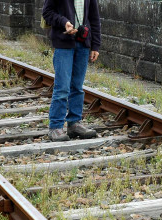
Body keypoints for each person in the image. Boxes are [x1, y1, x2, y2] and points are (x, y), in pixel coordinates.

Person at [42, 0, 101, 141]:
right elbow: (47, 13)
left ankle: (74, 123)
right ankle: (55, 127)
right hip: (63, 44)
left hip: (83, 43)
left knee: (77, 87)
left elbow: (94, 18)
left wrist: (95, 46)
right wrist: (64, 22)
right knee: (62, 87)